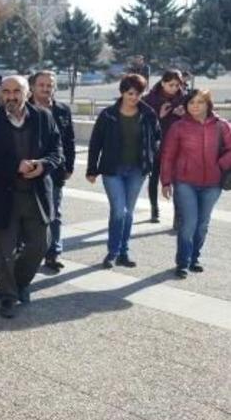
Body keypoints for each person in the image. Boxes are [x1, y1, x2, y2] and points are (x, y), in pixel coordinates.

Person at [0, 75, 63, 318]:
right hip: (3, 195)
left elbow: (57, 150)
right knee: (4, 251)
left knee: (40, 244)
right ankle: (8, 296)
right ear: (0, 94)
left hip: (36, 195)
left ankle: (21, 282)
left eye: (16, 91)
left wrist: (43, 164)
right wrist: (15, 166)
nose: (11, 96)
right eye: (6, 92)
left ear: (27, 92)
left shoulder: (44, 117)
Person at [87, 74, 160, 269]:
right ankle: (112, 252)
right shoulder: (108, 114)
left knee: (128, 213)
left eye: (138, 94)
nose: (134, 97)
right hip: (113, 170)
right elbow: (95, 143)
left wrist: (151, 157)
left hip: (137, 170)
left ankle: (123, 252)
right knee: (119, 211)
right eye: (130, 93)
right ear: (122, 92)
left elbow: (157, 138)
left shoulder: (148, 114)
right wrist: (91, 169)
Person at [160, 89, 231, 278]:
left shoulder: (221, 126)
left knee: (202, 224)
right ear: (186, 106)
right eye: (191, 102)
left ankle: (194, 258)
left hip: (213, 184)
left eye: (200, 102)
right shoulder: (178, 127)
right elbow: (168, 155)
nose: (195, 106)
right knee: (189, 223)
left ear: (208, 104)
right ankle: (182, 262)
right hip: (185, 183)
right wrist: (165, 181)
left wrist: (220, 164)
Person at [29, 71, 76, 272]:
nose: (46, 88)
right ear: (32, 87)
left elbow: (69, 141)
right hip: (28, 169)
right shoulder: (24, 108)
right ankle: (25, 249)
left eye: (50, 85)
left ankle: (53, 253)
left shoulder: (63, 110)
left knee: (54, 212)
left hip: (55, 170)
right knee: (27, 213)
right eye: (42, 85)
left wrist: (69, 166)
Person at [143, 70, 186, 224]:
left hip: (177, 145)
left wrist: (184, 115)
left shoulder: (185, 98)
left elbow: (194, 119)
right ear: (162, 83)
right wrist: (159, 116)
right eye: (171, 85)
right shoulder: (149, 99)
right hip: (156, 144)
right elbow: (143, 123)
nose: (174, 88)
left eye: (177, 85)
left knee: (177, 179)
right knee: (154, 177)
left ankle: (177, 215)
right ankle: (154, 209)